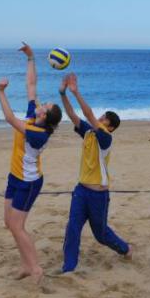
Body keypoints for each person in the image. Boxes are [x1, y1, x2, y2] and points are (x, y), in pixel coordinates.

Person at [0, 42, 63, 285]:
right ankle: (26, 265)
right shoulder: (35, 117)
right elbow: (31, 85)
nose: (41, 103)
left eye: (45, 106)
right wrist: (31, 58)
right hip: (15, 176)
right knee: (9, 224)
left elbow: (9, 118)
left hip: (29, 182)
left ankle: (35, 268)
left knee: (17, 226)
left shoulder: (37, 133)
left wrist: (1, 92)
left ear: (44, 116)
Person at [57, 73, 132, 273]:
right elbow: (73, 115)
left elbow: (88, 114)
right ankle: (68, 268)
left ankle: (125, 249)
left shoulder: (106, 139)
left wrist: (76, 91)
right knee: (73, 228)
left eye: (106, 119)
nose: (102, 118)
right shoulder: (89, 132)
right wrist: (63, 93)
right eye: (103, 115)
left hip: (99, 194)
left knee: (100, 235)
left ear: (111, 127)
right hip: (81, 190)